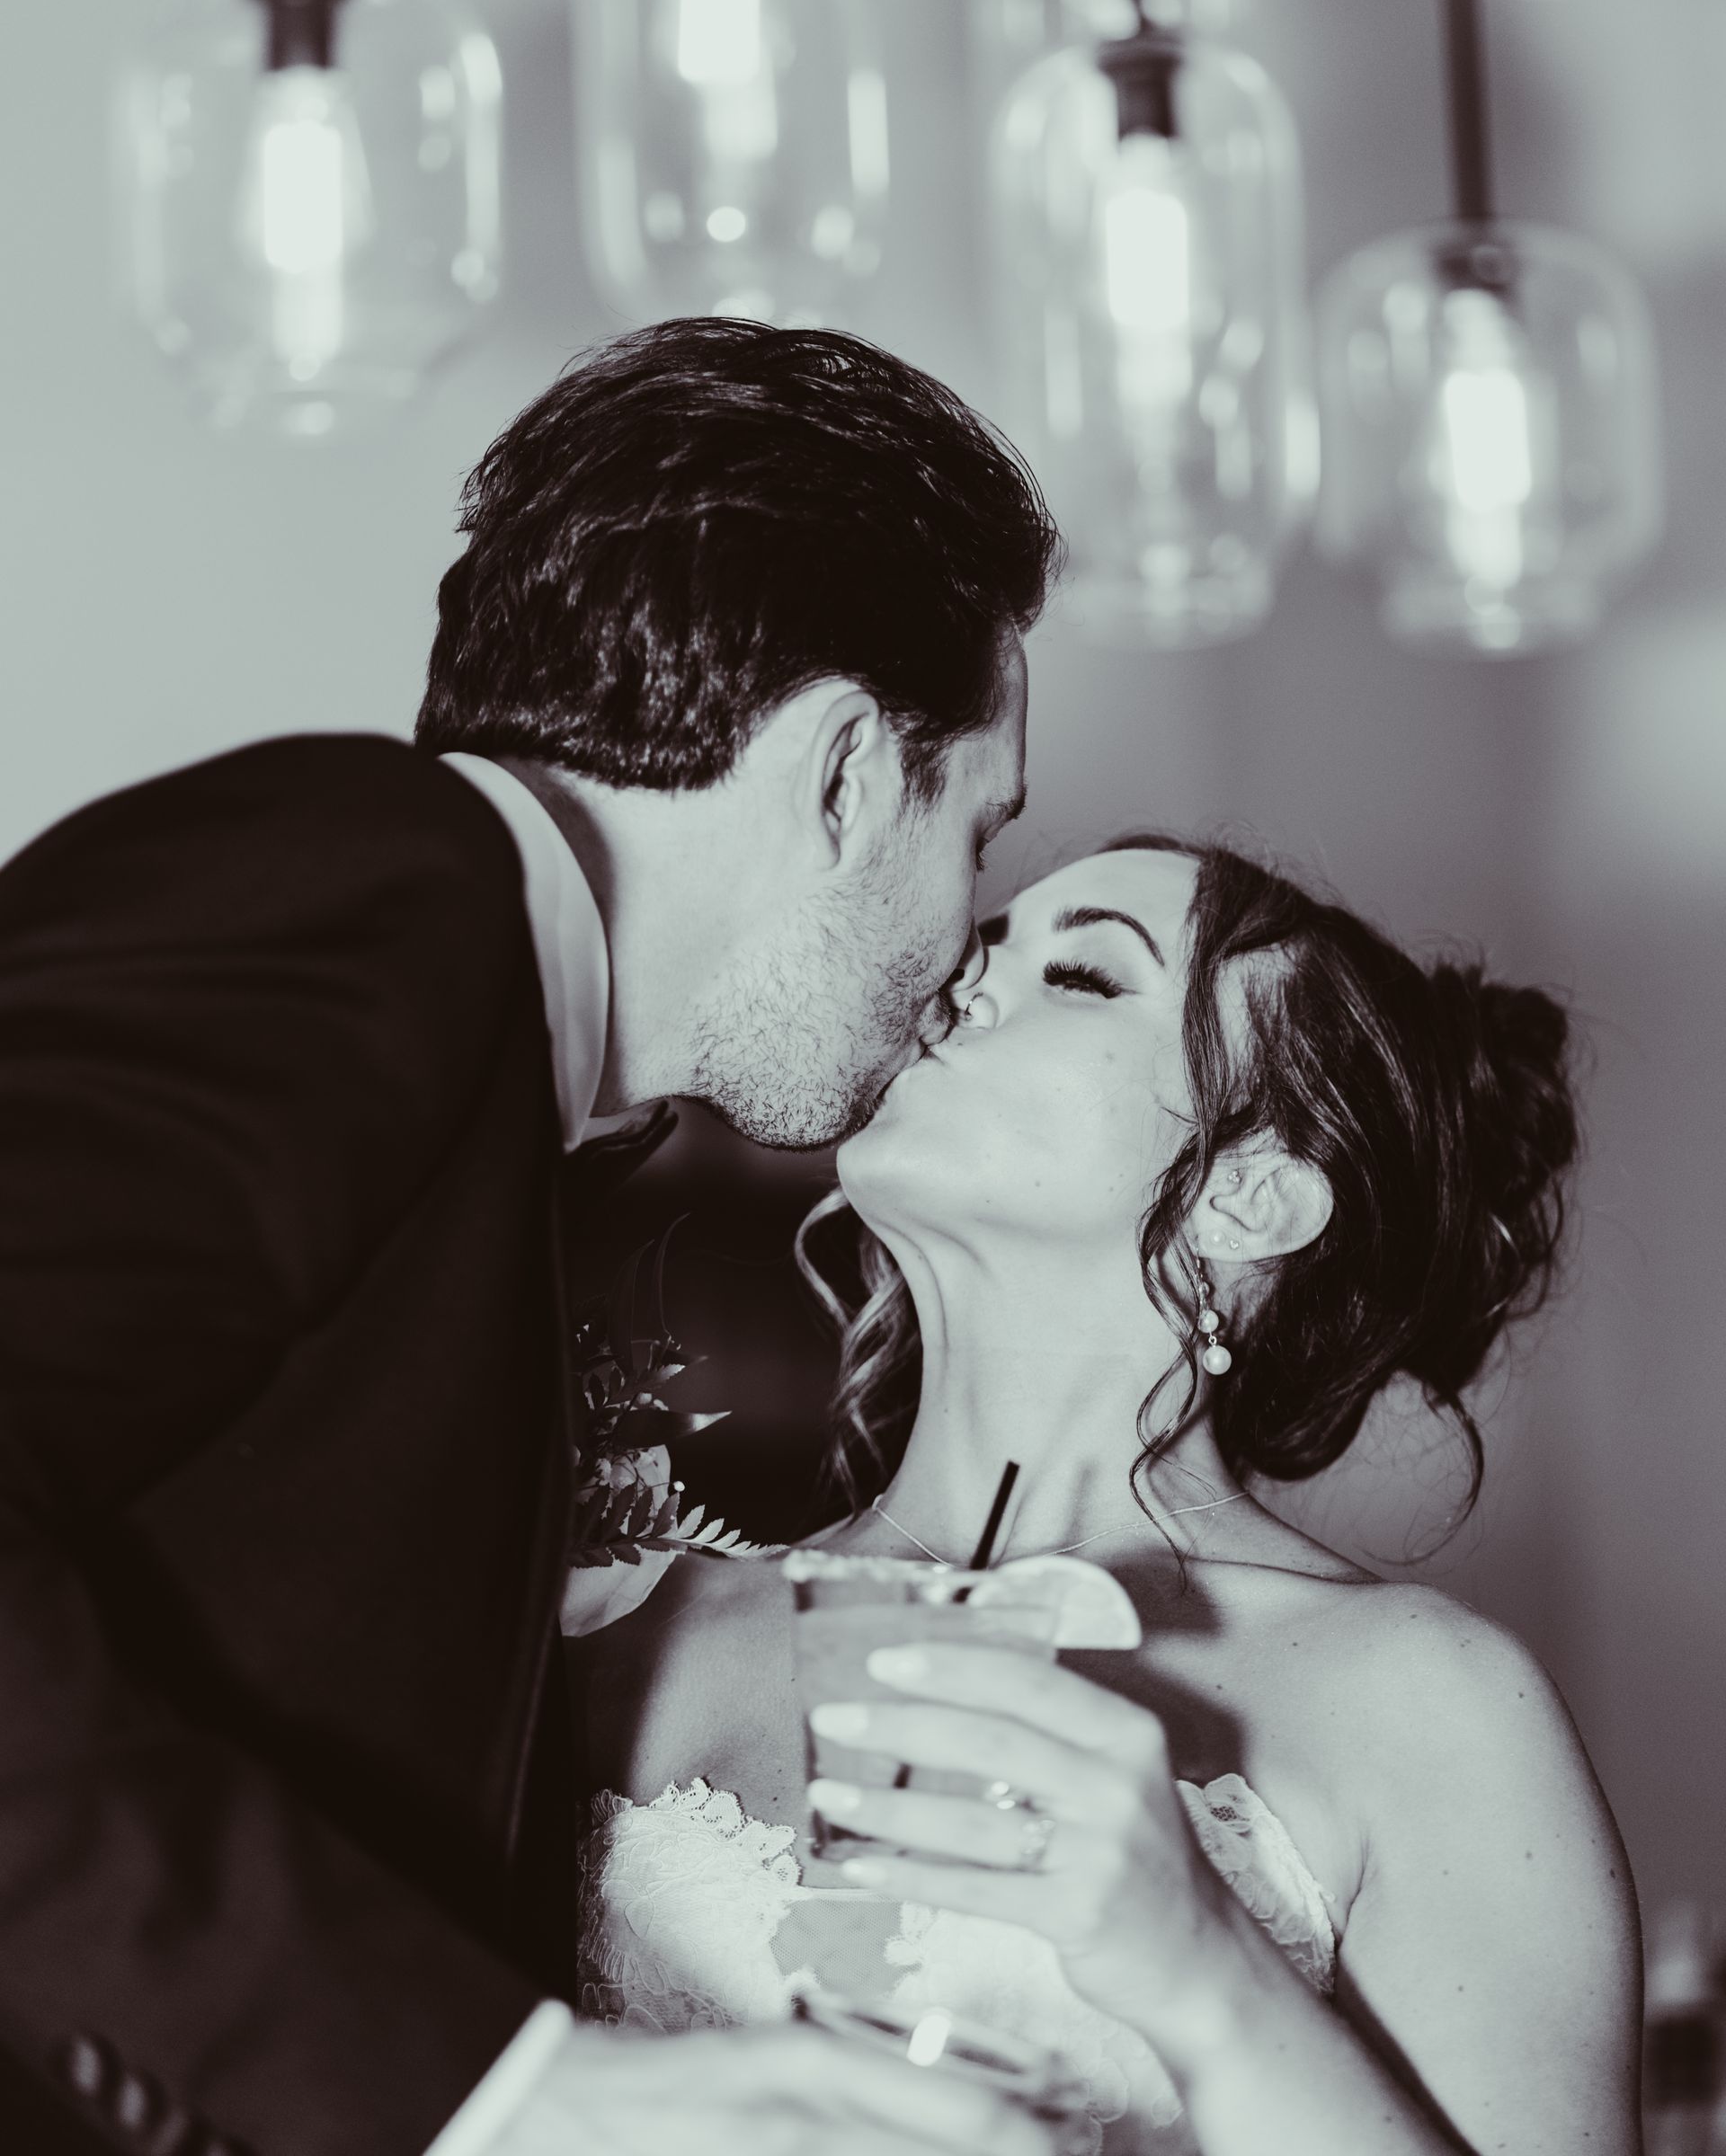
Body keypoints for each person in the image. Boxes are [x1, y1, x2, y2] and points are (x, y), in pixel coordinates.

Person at [0, 319, 1059, 2156]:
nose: (968, 935)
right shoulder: (376, 882)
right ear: (841, 780)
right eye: (978, 834)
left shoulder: (504, 1081)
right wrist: (510, 2094)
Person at [580, 836, 1643, 2155]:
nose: (951, 990)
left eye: (1080, 974)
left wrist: (1204, 1963)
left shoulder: (1426, 1701)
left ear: (1247, 1197)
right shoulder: (634, 1633)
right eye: (980, 954)